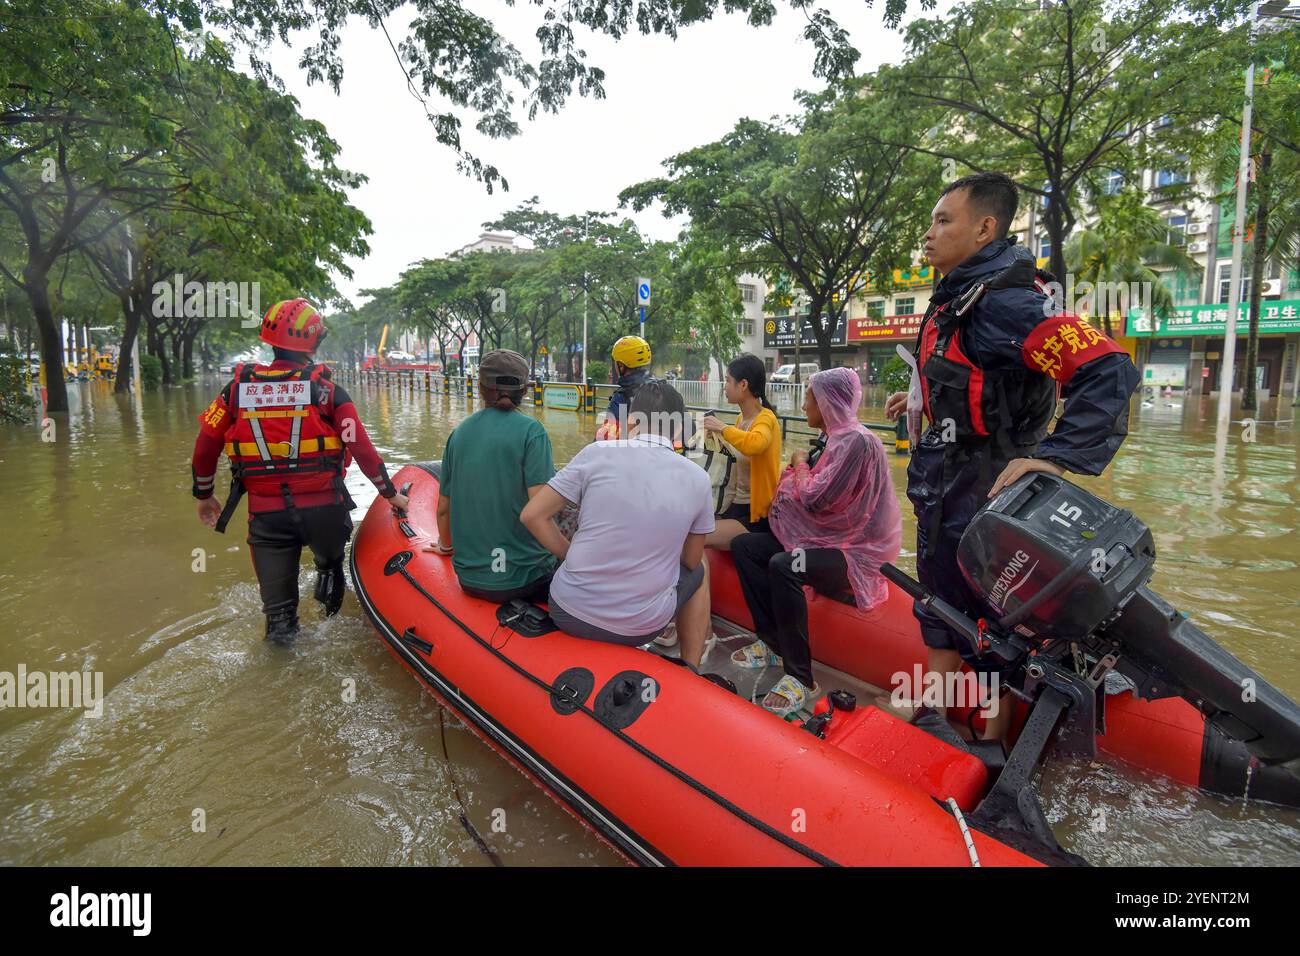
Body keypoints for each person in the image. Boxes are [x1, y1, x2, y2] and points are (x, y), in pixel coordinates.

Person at [885, 172, 1139, 737]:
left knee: (993, 610)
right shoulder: (959, 295)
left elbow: (1108, 368)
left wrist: (1055, 457)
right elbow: (980, 379)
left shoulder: (1006, 304)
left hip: (987, 487)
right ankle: (934, 701)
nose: (929, 234)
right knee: (940, 595)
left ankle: (994, 733)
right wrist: (923, 396)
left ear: (985, 228)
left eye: (942, 221)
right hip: (946, 484)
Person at [192, 298, 408, 643]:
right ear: (315, 342)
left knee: (278, 619)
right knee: (331, 570)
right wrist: (390, 493)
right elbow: (360, 446)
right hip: (324, 510)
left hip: (266, 518)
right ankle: (330, 613)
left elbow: (205, 445)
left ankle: (279, 663)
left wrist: (204, 495)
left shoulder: (234, 392)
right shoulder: (327, 392)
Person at [730, 368, 901, 717]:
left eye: (810, 396)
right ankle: (773, 643)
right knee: (745, 547)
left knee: (784, 565)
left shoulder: (856, 441)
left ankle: (800, 677)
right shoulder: (835, 439)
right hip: (825, 540)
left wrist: (799, 464)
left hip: (853, 552)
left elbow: (816, 500)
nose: (805, 403)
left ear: (827, 402)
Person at [521, 379, 715, 668]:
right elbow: (689, 559)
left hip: (568, 609)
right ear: (677, 428)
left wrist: (567, 554)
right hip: (641, 627)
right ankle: (690, 668)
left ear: (632, 420)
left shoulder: (596, 452)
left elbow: (532, 515)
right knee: (700, 570)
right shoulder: (698, 479)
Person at [426, 349, 557, 603]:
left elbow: (444, 508)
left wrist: (446, 546)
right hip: (526, 579)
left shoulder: (459, 434)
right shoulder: (533, 432)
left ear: (480, 387)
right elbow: (541, 511)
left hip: (470, 580)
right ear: (525, 390)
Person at [698, 354, 782, 548]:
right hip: (734, 504)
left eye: (728, 380)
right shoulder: (740, 420)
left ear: (743, 384)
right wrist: (720, 441)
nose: (724, 386)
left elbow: (755, 444)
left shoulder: (765, 418)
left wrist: (722, 428)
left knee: (696, 537)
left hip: (755, 515)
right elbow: (740, 453)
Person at [594, 334, 653, 440]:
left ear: (621, 366)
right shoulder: (666, 390)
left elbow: (606, 439)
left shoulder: (621, 397)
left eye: (616, 363)